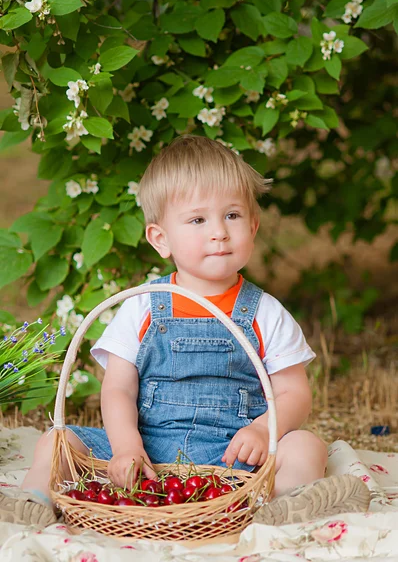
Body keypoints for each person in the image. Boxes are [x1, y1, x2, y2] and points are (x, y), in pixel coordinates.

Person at [0, 135, 369, 527]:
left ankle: (285, 505)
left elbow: (294, 392)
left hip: (235, 457)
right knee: (57, 440)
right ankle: (36, 500)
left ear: (254, 225)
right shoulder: (142, 305)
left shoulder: (266, 313)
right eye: (198, 219)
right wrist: (126, 446)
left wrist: (263, 430)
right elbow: (119, 388)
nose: (219, 232)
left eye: (232, 215)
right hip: (145, 452)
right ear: (161, 239)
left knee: (307, 445)